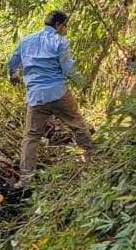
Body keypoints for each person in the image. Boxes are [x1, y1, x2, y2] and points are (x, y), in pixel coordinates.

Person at [7, 10, 93, 182]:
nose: (66, 30)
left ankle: (26, 177)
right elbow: (68, 69)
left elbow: (12, 62)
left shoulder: (26, 41)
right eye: (65, 26)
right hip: (58, 93)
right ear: (58, 25)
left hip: (35, 98)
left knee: (31, 137)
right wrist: (83, 83)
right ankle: (93, 158)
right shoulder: (60, 41)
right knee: (76, 123)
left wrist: (13, 75)